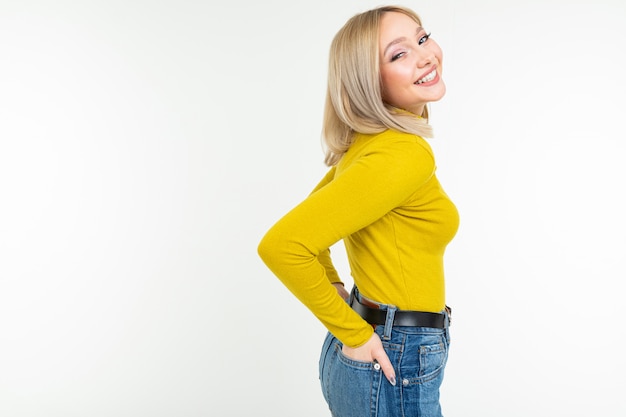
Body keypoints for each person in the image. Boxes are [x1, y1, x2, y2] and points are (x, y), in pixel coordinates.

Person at [258, 5, 459, 417]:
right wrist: (351, 328)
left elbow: (308, 234)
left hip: (374, 344)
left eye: (422, 38)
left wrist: (343, 311)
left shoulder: (373, 145)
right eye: (398, 54)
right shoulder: (403, 154)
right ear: (369, 81)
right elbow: (283, 245)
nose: (424, 55)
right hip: (393, 354)